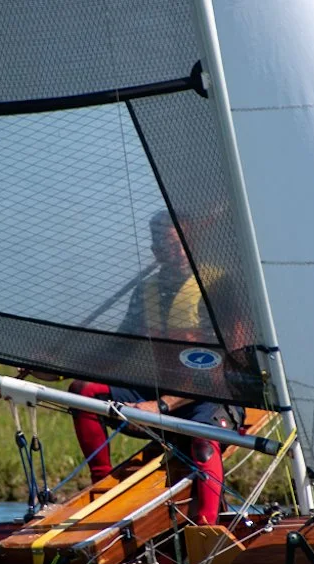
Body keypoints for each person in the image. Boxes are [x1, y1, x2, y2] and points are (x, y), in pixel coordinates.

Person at [67, 209, 242, 526]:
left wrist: (161, 406)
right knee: (84, 390)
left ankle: (206, 529)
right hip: (156, 393)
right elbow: (116, 350)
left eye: (181, 244)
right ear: (155, 251)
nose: (176, 253)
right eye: (167, 246)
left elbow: (226, 368)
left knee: (202, 445)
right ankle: (102, 487)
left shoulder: (218, 286)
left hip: (210, 398)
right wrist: (60, 367)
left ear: (193, 245)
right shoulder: (145, 291)